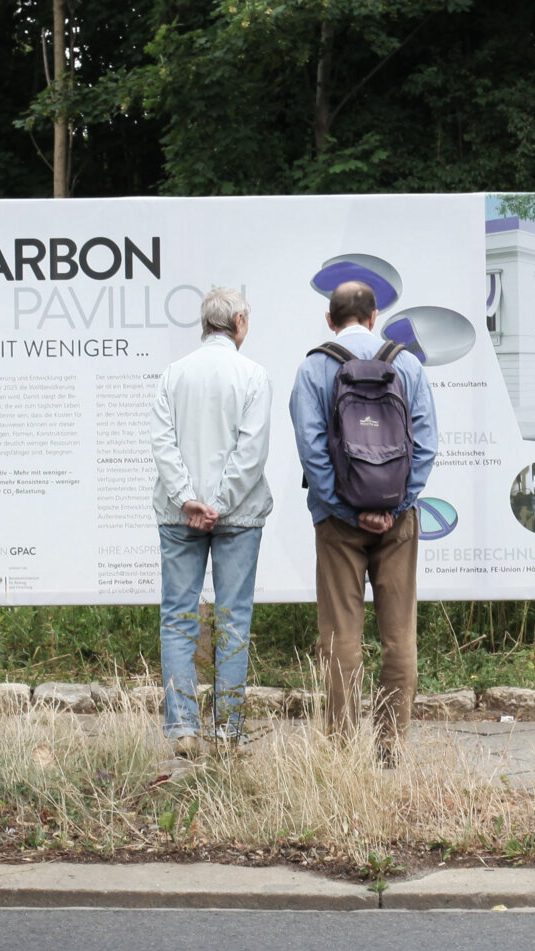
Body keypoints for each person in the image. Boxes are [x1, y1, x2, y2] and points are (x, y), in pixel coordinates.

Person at [290, 279, 438, 764]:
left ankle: (340, 745)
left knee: (340, 635)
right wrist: (392, 507)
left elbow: (312, 450)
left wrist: (344, 507)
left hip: (337, 524)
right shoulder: (408, 364)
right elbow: (427, 445)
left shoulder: (315, 367)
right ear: (374, 318)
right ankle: (390, 744)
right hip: (398, 523)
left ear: (330, 320)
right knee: (399, 634)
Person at [149, 286, 274, 757]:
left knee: (178, 617)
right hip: (238, 515)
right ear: (239, 321)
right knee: (233, 617)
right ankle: (227, 733)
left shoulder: (172, 375)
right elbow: (252, 450)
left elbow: (163, 444)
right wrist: (219, 502)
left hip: (178, 516)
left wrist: (188, 500)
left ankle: (183, 729)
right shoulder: (253, 375)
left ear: (204, 323)